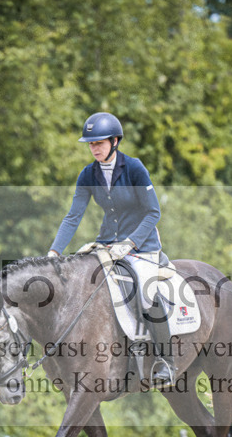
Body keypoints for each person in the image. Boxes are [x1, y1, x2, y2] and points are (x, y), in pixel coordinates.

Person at [47, 112, 176, 386]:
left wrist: (130, 243)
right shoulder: (87, 174)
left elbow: (153, 212)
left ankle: (166, 361)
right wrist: (54, 253)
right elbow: (73, 216)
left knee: (146, 291)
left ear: (115, 141)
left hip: (141, 246)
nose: (95, 148)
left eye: (100, 143)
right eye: (91, 144)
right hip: (106, 243)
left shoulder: (135, 168)